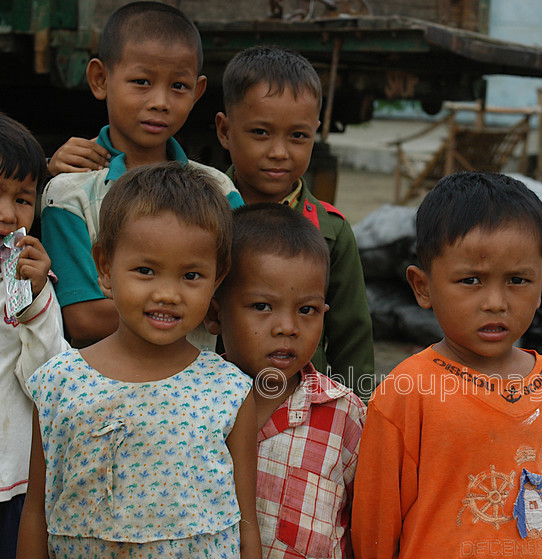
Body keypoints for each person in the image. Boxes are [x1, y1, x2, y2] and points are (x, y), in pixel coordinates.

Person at [18, 163, 259, 557]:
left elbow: (244, 520)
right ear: (105, 267)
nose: (167, 294)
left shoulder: (228, 391)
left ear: (218, 278)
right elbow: (35, 513)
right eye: (145, 270)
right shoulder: (58, 384)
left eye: (191, 275)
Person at [352, 172, 542, 559]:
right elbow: (375, 525)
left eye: (517, 280)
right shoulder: (407, 389)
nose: (495, 302)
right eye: (471, 280)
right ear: (422, 287)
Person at [40, 1, 244, 348]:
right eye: (141, 81)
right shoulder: (69, 193)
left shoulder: (220, 189)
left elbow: (240, 292)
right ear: (100, 79)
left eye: (178, 86)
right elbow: (84, 318)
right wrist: (194, 305)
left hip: (198, 392)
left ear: (197, 92)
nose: (160, 101)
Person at [205, 203, 366, 558]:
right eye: (263, 306)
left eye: (307, 310)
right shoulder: (192, 402)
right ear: (215, 314)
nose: (287, 328)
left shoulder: (344, 415)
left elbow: (360, 527)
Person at [214, 46, 374, 398]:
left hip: (300, 414)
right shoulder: (204, 219)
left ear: (316, 132)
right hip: (204, 408)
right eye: (260, 132)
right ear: (225, 130)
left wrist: (361, 416)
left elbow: (352, 339)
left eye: (298, 136)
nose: (279, 152)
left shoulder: (331, 232)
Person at [0, 113, 69, 557]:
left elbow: (46, 378)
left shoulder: (24, 279)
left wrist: (38, 300)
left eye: (23, 199)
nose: (8, 214)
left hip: (13, 479)